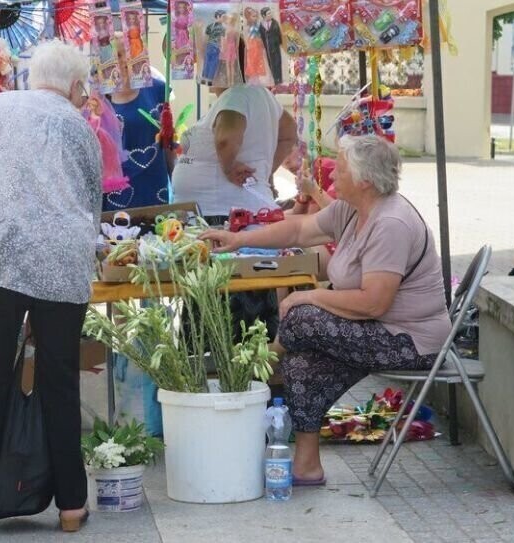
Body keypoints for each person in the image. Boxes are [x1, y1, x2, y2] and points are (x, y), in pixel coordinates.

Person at [200, 135, 451, 485]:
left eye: (341, 169)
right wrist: (238, 239)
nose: (332, 177)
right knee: (301, 363)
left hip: (410, 343)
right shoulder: (354, 209)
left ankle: (258, 364)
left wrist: (311, 297)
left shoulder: (391, 223)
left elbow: (373, 302)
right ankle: (306, 466)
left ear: (364, 181)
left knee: (302, 317)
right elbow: (300, 230)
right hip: (377, 329)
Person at [0, 41, 100, 534]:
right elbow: (90, 204)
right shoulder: (81, 126)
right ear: (76, 86)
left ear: (32, 75)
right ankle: (72, 505)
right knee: (60, 381)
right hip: (62, 259)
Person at [172, 49, 297, 339]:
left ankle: (224, 378)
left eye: (207, 61)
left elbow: (227, 136)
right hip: (233, 216)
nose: (202, 67)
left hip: (228, 220)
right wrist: (264, 171)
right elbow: (289, 133)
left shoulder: (238, 94)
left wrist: (229, 168)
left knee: (225, 323)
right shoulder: (257, 95)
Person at [104, 33, 173, 210]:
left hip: (154, 188)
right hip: (117, 193)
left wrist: (175, 178)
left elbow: (168, 140)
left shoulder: (157, 89)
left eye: (128, 53)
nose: (123, 60)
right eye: (117, 55)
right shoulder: (100, 98)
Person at [259, 7, 283, 85]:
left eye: (270, 13)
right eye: (268, 13)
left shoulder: (275, 22)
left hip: (275, 46)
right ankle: (273, 80)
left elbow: (279, 34)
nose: (270, 14)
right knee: (270, 63)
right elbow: (261, 36)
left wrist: (279, 42)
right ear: (263, 15)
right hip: (268, 47)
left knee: (277, 62)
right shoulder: (261, 25)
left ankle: (279, 80)